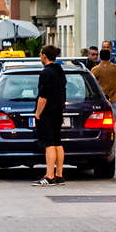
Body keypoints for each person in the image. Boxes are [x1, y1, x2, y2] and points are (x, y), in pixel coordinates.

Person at [34, 44, 67, 186]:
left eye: (41, 54)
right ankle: (59, 174)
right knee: (58, 142)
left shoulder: (46, 73)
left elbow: (43, 95)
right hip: (59, 110)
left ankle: (49, 175)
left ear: (44, 56)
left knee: (49, 144)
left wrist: (37, 114)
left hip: (48, 112)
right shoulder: (60, 70)